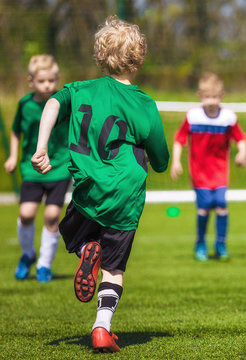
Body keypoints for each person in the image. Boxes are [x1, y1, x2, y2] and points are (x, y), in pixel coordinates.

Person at [31, 16, 170, 353]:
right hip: (126, 194)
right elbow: (162, 160)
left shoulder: (80, 90)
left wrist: (42, 146)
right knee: (114, 267)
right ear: (138, 60)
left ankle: (84, 250)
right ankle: (101, 327)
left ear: (100, 56)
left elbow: (51, 104)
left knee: (69, 231)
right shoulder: (144, 104)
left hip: (88, 191)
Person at [4, 55, 71, 283]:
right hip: (31, 169)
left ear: (57, 79)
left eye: (52, 81)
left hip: (60, 168)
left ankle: (44, 265)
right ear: (31, 81)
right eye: (42, 81)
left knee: (52, 216)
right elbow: (15, 132)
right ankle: (28, 255)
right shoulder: (25, 105)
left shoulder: (63, 103)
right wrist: (13, 157)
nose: (47, 86)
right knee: (26, 214)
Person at [170, 72, 246, 261]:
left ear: (222, 96)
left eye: (214, 97)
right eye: (207, 97)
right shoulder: (193, 116)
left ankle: (221, 245)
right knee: (204, 208)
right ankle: (201, 244)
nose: (211, 101)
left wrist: (242, 153)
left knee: (221, 205)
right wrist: (176, 161)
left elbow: (240, 138)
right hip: (200, 172)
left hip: (220, 172)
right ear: (200, 96)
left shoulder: (228, 117)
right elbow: (179, 139)